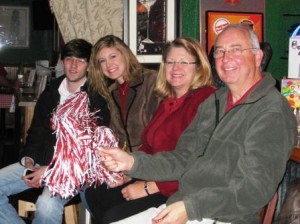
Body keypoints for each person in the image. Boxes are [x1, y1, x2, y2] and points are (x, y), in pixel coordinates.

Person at [98, 24, 298, 224]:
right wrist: (131, 162)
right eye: (220, 51)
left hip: (224, 217)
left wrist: (191, 207)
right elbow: (183, 157)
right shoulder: (215, 101)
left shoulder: (271, 111)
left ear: (257, 57)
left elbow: (255, 189)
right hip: (184, 205)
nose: (226, 58)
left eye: (236, 50)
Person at [85, 37, 216, 223]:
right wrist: (127, 172)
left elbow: (197, 163)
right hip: (150, 170)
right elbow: (148, 145)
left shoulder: (206, 100)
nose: (175, 68)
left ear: (199, 66)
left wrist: (149, 186)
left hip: (178, 188)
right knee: (95, 194)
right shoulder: (169, 101)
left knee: (112, 216)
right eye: (170, 62)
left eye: (184, 62)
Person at [0, 39, 110, 224]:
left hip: (75, 170)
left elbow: (89, 150)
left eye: (80, 60)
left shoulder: (96, 99)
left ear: (89, 66)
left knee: (46, 205)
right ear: (62, 62)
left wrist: (51, 170)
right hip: (40, 163)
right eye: (69, 59)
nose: (74, 66)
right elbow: (36, 133)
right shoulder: (50, 93)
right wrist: (29, 159)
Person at [88, 34, 160, 152]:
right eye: (102, 61)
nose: (108, 64)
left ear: (125, 54)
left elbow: (161, 128)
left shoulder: (151, 80)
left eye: (113, 56)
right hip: (125, 162)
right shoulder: (109, 92)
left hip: (152, 158)